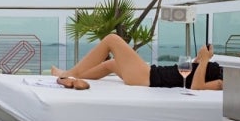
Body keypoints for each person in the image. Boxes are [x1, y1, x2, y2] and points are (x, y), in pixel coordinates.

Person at [51, 34, 223, 90]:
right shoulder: (225, 70)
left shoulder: (225, 82)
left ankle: (68, 74)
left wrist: (205, 60)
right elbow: (189, 74)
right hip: (150, 73)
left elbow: (197, 87)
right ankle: (75, 78)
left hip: (149, 77)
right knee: (110, 64)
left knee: (112, 39)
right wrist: (200, 59)